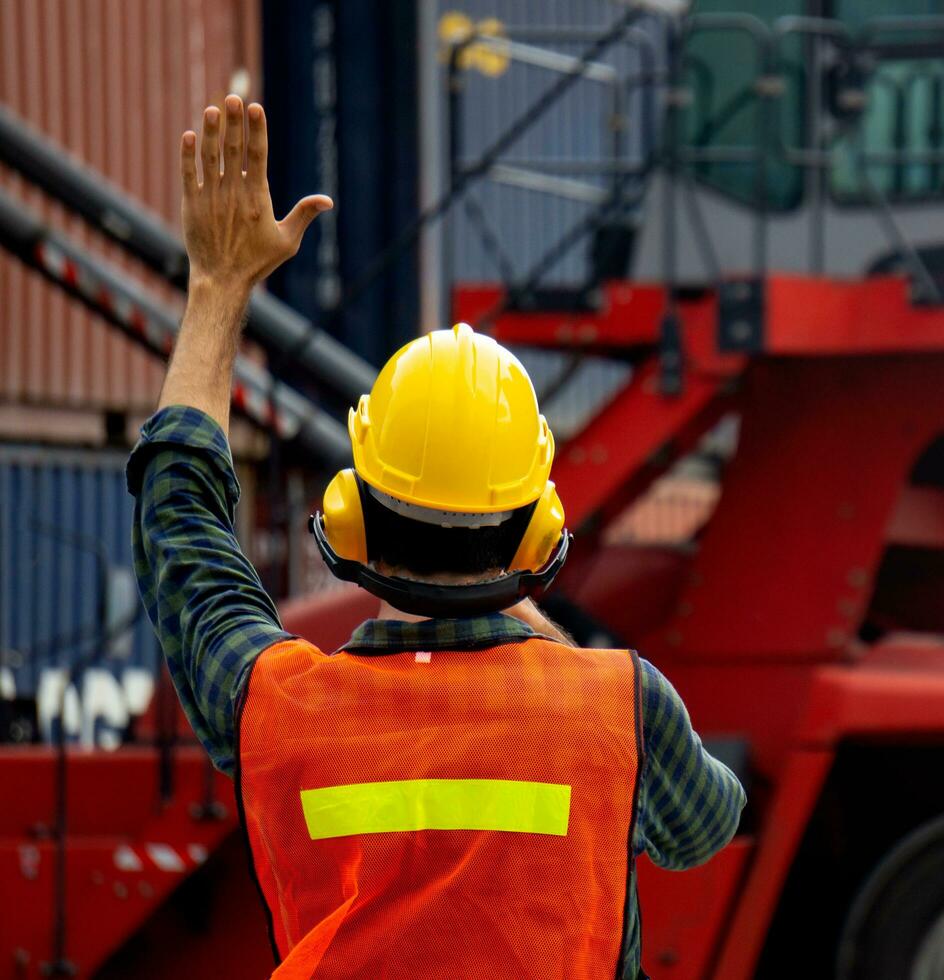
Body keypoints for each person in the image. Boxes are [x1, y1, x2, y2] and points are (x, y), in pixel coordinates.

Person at [129, 94, 744, 978]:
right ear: (536, 535)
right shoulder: (621, 707)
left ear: (352, 518)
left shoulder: (276, 708)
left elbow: (178, 520)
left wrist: (219, 288)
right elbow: (705, 827)